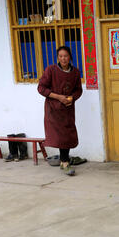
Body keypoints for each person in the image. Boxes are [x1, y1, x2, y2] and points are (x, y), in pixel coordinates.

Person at [37, 46, 83, 176]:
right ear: (58, 58)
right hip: (53, 109)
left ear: (70, 57)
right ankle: (65, 162)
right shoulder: (51, 70)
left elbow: (78, 90)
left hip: (68, 108)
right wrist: (59, 97)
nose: (63, 58)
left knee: (68, 134)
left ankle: (64, 161)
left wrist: (71, 98)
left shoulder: (75, 72)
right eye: (60, 56)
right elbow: (41, 88)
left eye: (66, 56)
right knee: (61, 135)